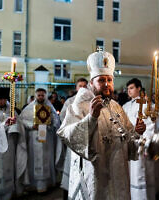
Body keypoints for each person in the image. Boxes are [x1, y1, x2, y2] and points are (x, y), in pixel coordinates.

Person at [57, 51, 146, 200]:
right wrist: (91, 118)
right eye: (101, 80)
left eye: (110, 80)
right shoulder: (80, 104)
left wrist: (136, 133)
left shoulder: (116, 106)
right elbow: (67, 135)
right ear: (91, 83)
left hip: (118, 173)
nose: (107, 84)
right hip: (95, 174)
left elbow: (128, 140)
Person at [0, 87, 28, 199]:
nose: (2, 101)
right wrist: (3, 126)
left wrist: (14, 128)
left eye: (4, 99)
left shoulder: (12, 111)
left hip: (9, 144)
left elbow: (19, 126)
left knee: (8, 168)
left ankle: (9, 194)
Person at [19, 88, 61, 193]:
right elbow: (22, 120)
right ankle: (33, 184)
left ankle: (47, 183)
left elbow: (56, 122)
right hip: (33, 139)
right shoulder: (28, 109)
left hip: (47, 139)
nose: (41, 97)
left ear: (45, 96)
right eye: (39, 95)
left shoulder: (50, 108)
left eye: (43, 95)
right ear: (35, 96)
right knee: (34, 159)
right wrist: (31, 125)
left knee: (47, 159)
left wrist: (50, 123)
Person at [122, 78, 155, 200]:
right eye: (127, 89)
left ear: (139, 88)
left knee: (138, 174)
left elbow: (150, 126)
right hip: (126, 144)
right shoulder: (125, 106)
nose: (129, 91)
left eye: (131, 88)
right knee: (127, 174)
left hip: (139, 144)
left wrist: (146, 144)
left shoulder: (145, 105)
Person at [59, 78, 88, 200]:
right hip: (74, 139)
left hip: (86, 140)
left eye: (84, 86)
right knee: (72, 167)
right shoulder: (70, 101)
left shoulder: (90, 100)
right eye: (79, 85)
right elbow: (63, 117)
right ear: (76, 88)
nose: (82, 88)